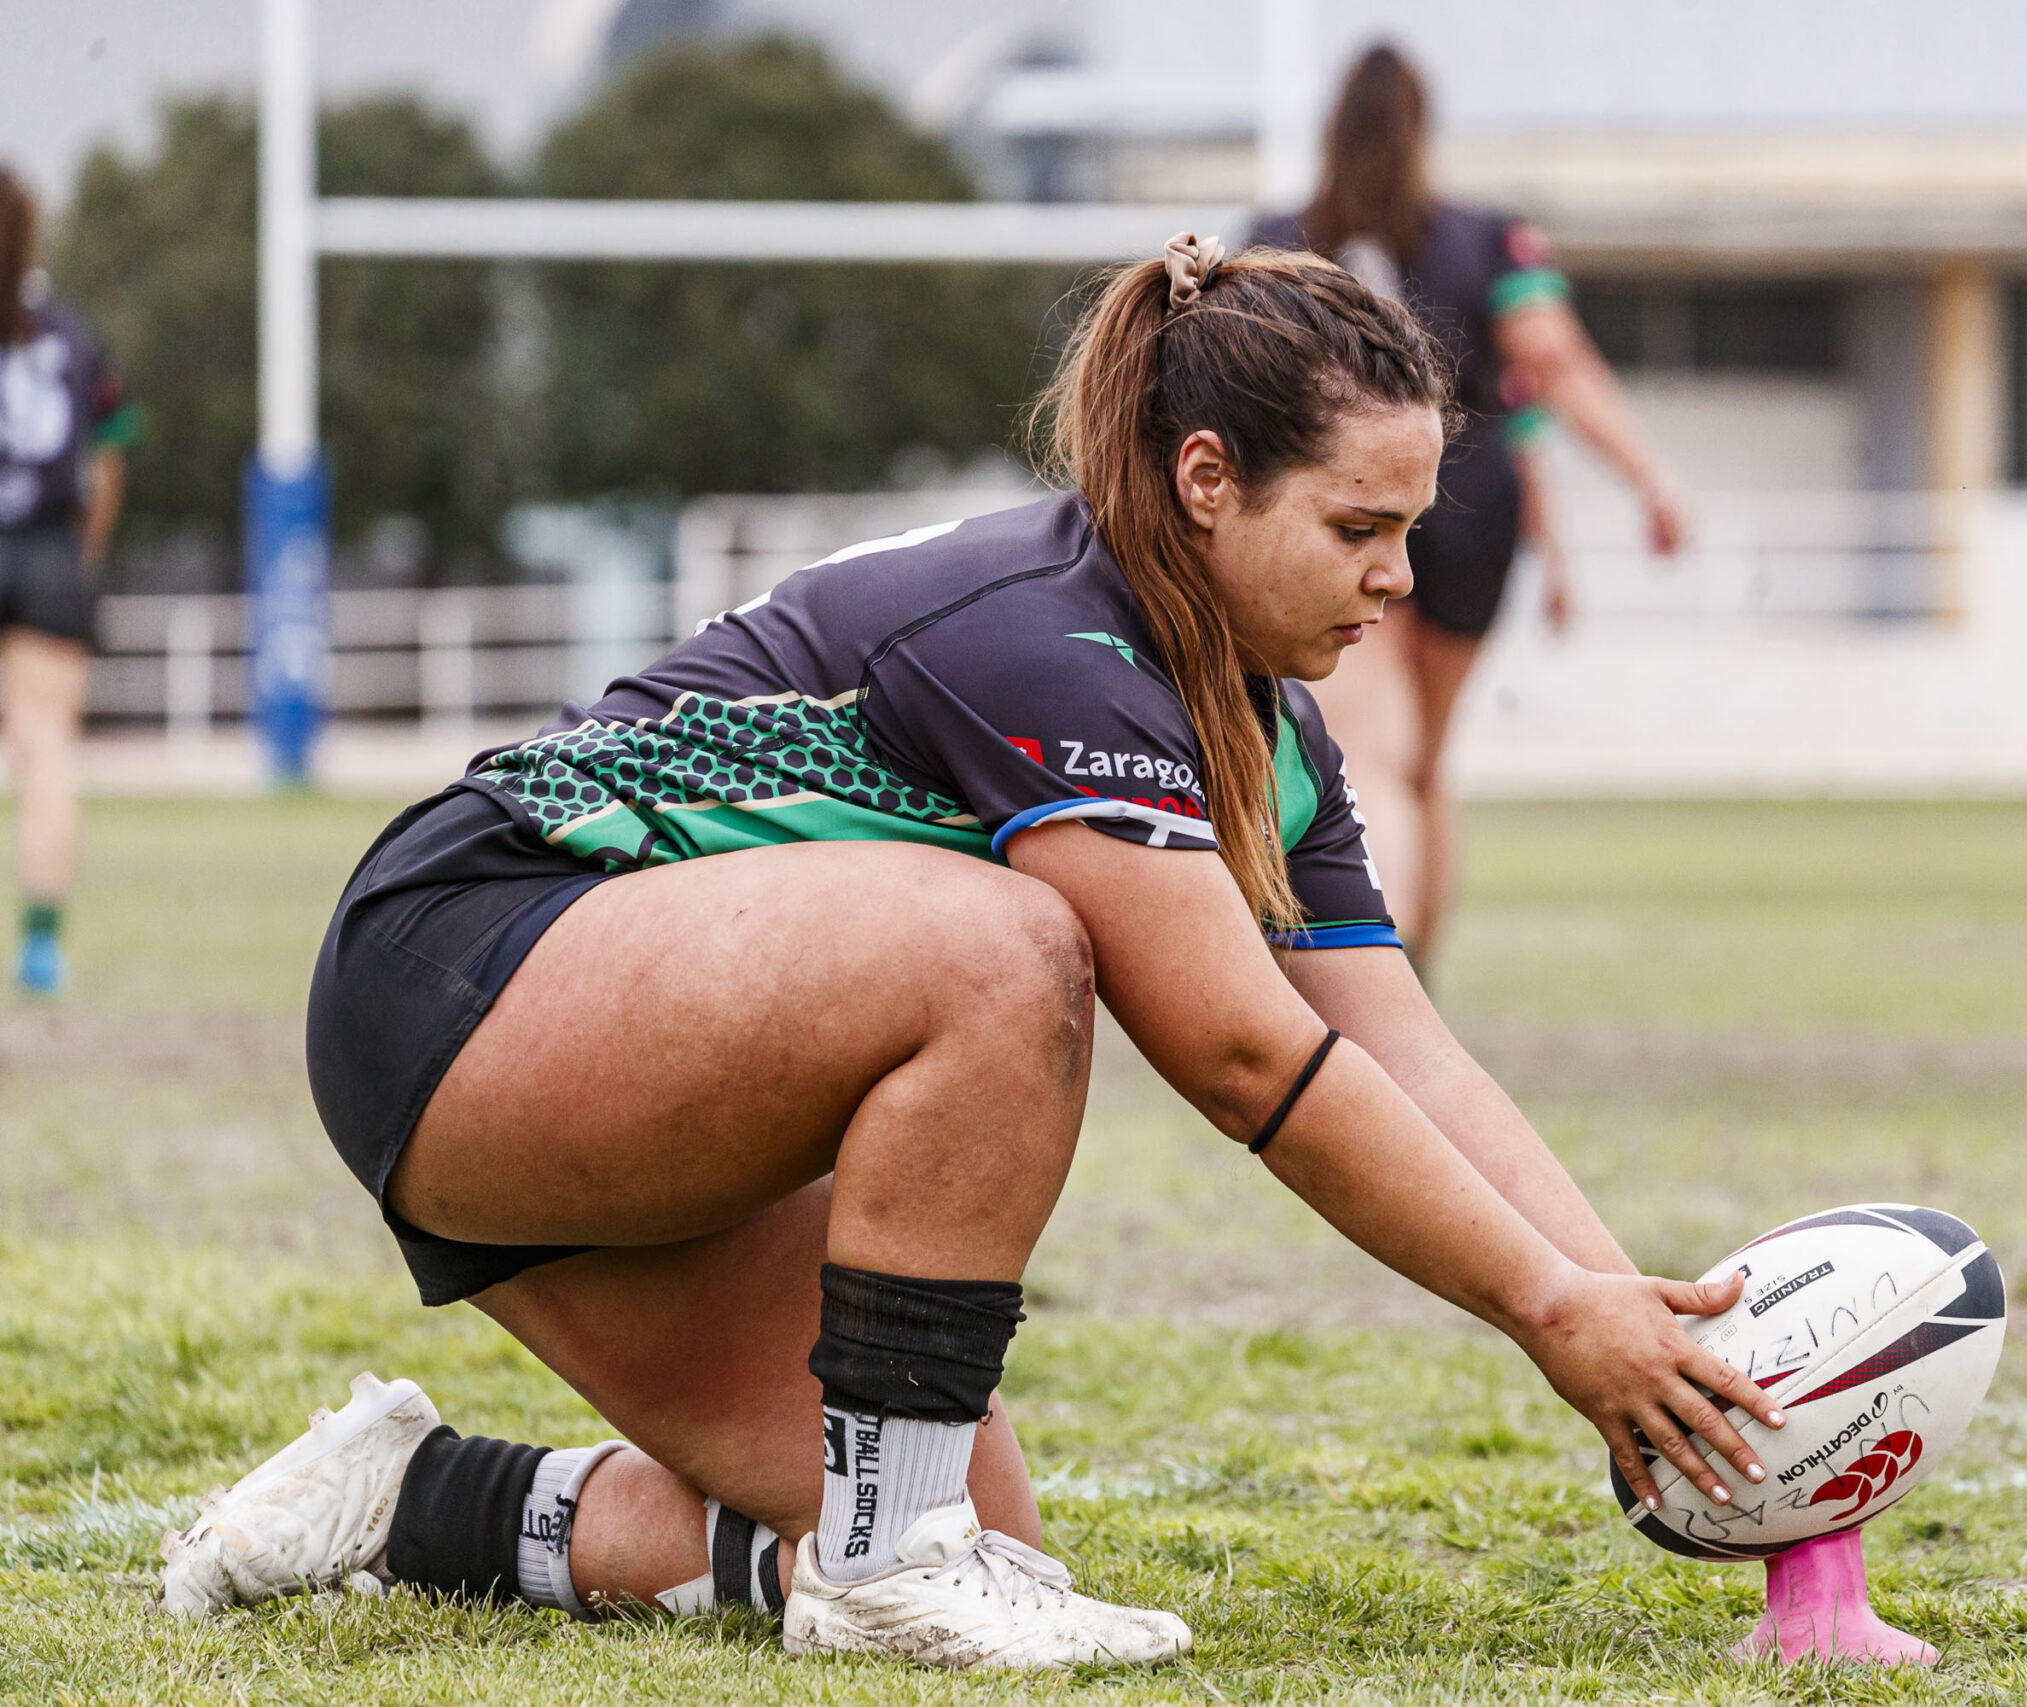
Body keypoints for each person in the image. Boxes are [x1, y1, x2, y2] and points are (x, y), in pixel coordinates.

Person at [156, 241, 1808, 1672]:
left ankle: (405, 1497)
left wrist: (1641, 1328)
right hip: (465, 965)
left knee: (970, 1512)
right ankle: (885, 1562)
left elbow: (1403, 1050)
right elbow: (1246, 1058)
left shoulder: (1264, 727)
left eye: (1414, 527)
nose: (1402, 574)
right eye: (1361, 526)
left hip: (642, 1042)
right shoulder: (1056, 637)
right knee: (1011, 948)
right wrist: (1542, 1312)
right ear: (1209, 480)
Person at [1252, 44, 1687, 970]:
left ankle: (1377, 997)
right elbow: (1558, 363)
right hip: (1470, 512)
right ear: (1421, 132)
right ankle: (1414, 991)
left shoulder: (1272, 239)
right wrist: (1649, 477)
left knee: (1368, 762)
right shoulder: (1490, 240)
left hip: (1343, 512)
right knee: (1422, 768)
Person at [0, 167, 134, 996]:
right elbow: (109, 458)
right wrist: (83, 552)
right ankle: (41, 946)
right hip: (51, 550)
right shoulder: (70, 332)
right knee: (46, 748)